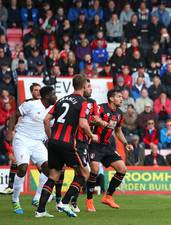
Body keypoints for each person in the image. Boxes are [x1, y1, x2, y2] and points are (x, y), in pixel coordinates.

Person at [36, 75, 98, 218]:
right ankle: (64, 202)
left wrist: (51, 137)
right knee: (84, 173)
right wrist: (91, 135)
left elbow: (46, 120)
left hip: (53, 142)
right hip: (67, 143)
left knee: (53, 176)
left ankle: (40, 211)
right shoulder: (84, 102)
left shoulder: (61, 100)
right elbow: (83, 124)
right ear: (83, 86)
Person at [5, 86, 56, 214]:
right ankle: (15, 200)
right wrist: (10, 132)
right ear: (47, 96)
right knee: (22, 168)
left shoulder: (52, 109)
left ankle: (37, 198)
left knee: (49, 170)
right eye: (53, 94)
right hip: (22, 139)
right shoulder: (31, 104)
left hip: (38, 142)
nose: (55, 96)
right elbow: (13, 116)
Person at [86, 89, 133, 212]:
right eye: (119, 97)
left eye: (122, 97)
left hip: (108, 146)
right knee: (95, 170)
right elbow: (88, 120)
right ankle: (89, 200)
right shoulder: (100, 108)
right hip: (95, 145)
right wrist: (97, 123)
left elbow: (118, 130)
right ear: (111, 98)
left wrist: (125, 143)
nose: (121, 99)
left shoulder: (119, 113)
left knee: (122, 169)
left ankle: (108, 196)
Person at [0, 83, 42, 195]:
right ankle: (10, 187)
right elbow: (16, 117)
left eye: (39, 90)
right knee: (16, 161)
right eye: (35, 90)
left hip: (38, 138)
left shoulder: (44, 104)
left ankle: (46, 189)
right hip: (24, 137)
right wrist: (13, 131)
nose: (38, 92)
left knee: (41, 166)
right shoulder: (27, 104)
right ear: (31, 92)